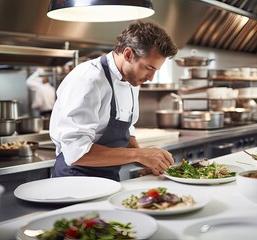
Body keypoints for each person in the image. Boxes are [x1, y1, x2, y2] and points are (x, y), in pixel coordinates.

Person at [50, 20, 178, 181]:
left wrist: (147, 162)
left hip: (109, 178)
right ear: (128, 54)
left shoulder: (133, 81)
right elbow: (75, 153)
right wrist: (139, 154)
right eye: (149, 68)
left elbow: (127, 131)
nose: (151, 78)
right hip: (75, 178)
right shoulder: (89, 79)